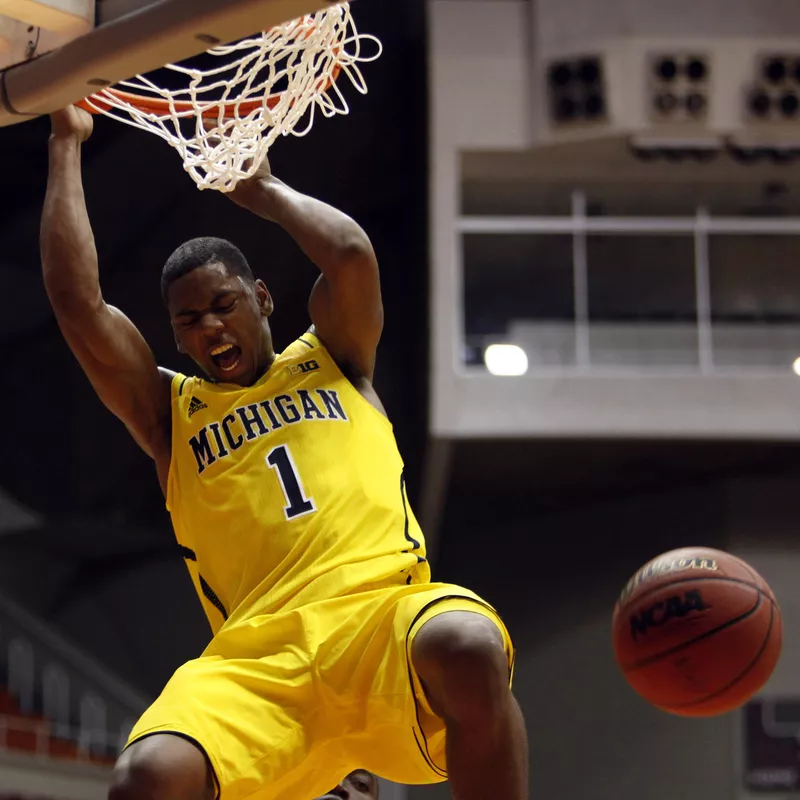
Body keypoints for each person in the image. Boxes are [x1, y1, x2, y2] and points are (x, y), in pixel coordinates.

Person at [41, 105, 528, 800]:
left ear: (262, 298)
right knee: (147, 779)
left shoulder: (336, 356)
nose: (210, 327)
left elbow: (352, 255)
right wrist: (66, 143)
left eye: (224, 303)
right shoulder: (168, 415)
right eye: (190, 320)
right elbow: (76, 303)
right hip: (259, 664)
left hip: (377, 623)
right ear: (176, 340)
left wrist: (265, 192)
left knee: (469, 647)